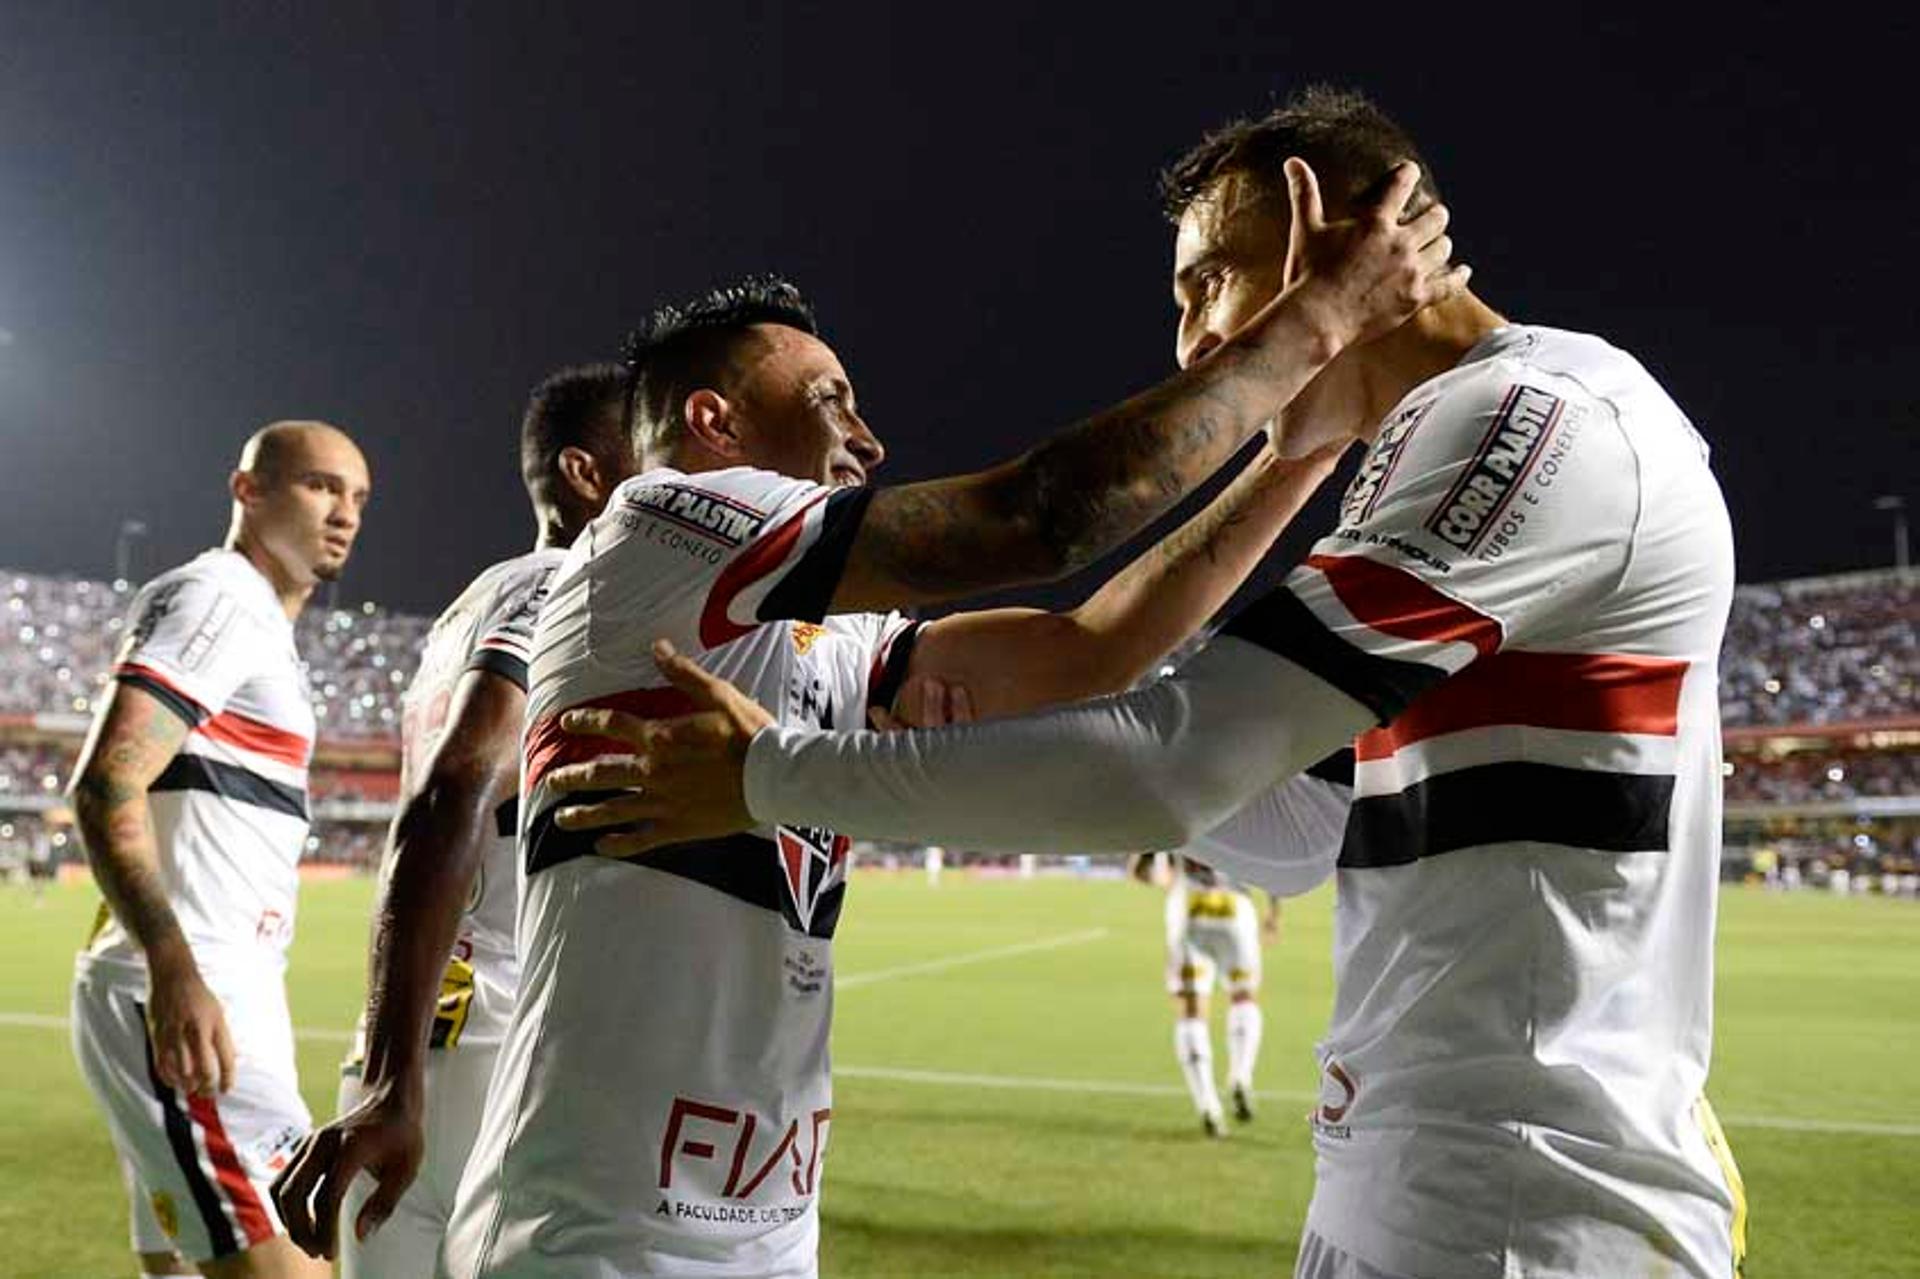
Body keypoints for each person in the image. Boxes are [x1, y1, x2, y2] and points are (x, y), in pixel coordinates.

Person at [558, 88, 1748, 1279]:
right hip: (1422, 1172)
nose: (1188, 343)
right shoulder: (1425, 453)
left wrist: (773, 774)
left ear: (1324, 234)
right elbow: (1286, 823)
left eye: (1207, 282)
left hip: (1529, 1201)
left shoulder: (1535, 417)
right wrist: (1185, 654)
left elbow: (1167, 750)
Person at [444, 185, 1459, 1279]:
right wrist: (1317, 324)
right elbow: (1040, 519)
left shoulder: (825, 636)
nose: (866, 438)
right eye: (831, 399)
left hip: (764, 1231)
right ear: (712, 425)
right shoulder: (655, 526)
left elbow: (1090, 651)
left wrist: (1301, 451)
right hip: (598, 1237)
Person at [266, 367, 637, 1274]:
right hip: (500, 1046)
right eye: (650, 455)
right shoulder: (561, 586)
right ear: (585, 475)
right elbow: (451, 792)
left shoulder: (467, 609)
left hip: (422, 1036)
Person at [68, 422, 371, 1279]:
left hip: (229, 983)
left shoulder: (260, 624)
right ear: (249, 490)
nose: (343, 513)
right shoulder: (220, 598)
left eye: (357, 497)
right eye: (319, 487)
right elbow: (106, 783)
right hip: (191, 991)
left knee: (178, 1268)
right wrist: (175, 965)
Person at [1134, 851, 1280, 1136]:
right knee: (1243, 996)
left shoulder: (1177, 809)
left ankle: (1208, 1106)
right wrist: (1273, 913)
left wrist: (1163, 880)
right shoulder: (1240, 807)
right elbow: (1273, 864)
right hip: (1235, 907)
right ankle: (1240, 1073)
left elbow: (1142, 866)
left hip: (1189, 907)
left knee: (1191, 1010)